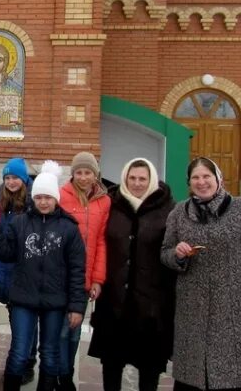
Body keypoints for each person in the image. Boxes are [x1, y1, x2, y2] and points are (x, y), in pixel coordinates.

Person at [161, 157, 241, 391]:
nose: (201, 182)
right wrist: (177, 254)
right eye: (195, 178)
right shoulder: (180, 212)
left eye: (206, 176)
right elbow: (165, 253)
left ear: (218, 179)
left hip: (232, 309)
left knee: (231, 378)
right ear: (189, 183)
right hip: (192, 311)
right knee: (191, 380)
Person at [0, 160, 86, 391]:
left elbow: (77, 270)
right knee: (19, 352)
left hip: (55, 302)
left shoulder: (69, 228)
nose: (43, 202)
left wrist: (77, 306)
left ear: (55, 199)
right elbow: (6, 253)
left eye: (48, 197)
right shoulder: (20, 223)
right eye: (39, 197)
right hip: (23, 298)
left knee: (50, 355)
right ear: (34, 197)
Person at [88, 158, 176, 391]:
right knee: (112, 365)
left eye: (142, 179)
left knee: (149, 369)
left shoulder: (168, 208)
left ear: (152, 180)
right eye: (132, 178)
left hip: (151, 304)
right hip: (114, 301)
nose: (137, 183)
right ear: (125, 178)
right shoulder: (111, 203)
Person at [57, 151, 111, 390]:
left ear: (95, 174)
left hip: (84, 277)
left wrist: (98, 279)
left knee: (74, 332)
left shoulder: (104, 201)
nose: (83, 177)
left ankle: (66, 371)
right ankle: (61, 377)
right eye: (78, 172)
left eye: (87, 172)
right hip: (59, 276)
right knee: (59, 332)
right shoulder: (61, 196)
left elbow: (101, 241)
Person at [0, 157, 38, 384]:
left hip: (25, 271)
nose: (11, 182)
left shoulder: (33, 203)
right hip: (4, 268)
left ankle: (27, 361)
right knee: (14, 316)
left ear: (24, 178)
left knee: (27, 319)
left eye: (15, 177)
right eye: (7, 178)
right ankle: (23, 357)